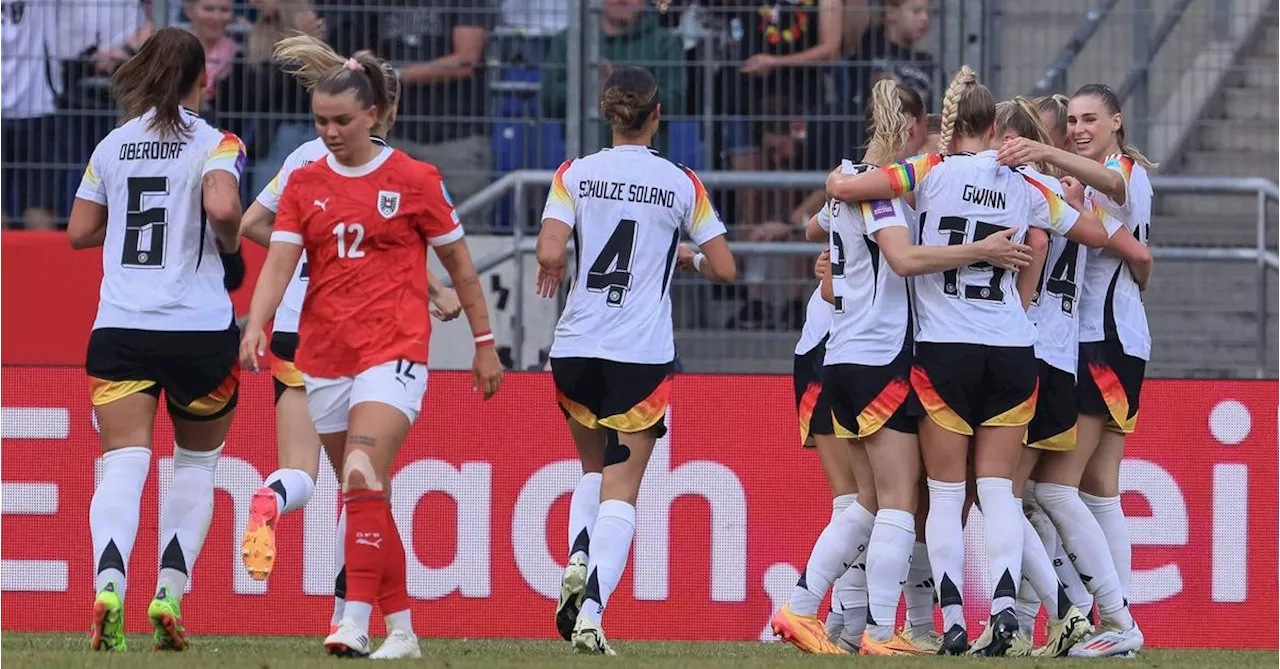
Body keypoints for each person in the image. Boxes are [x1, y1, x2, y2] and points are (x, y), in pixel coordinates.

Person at [239, 49, 503, 658]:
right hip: (324, 354)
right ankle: (403, 630)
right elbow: (279, 260)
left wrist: (484, 345)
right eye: (320, 122)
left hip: (395, 350)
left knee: (360, 474)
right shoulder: (304, 181)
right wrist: (256, 323)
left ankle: (351, 622)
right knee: (367, 496)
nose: (329, 133)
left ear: (375, 115)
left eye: (341, 122)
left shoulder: (414, 179)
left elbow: (460, 268)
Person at [825, 66, 1084, 656]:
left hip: (944, 352)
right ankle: (1003, 613)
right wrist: (1046, 157)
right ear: (996, 126)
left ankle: (951, 621)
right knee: (998, 493)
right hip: (1015, 349)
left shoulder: (929, 173)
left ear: (947, 128)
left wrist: (844, 182)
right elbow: (1090, 228)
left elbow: (847, 191)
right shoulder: (1025, 183)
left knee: (943, 496)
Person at [536, 65, 735, 655]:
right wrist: (685, 257)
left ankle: (577, 554)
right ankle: (593, 613)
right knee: (624, 490)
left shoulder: (576, 173)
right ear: (657, 115)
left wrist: (555, 263)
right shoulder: (679, 183)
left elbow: (551, 248)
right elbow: (726, 268)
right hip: (639, 355)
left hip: (576, 347)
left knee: (592, 473)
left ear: (607, 113)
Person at [68, 27, 246, 652]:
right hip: (198, 330)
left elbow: (79, 230)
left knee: (122, 464)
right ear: (205, 79)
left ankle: (108, 583)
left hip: (120, 328)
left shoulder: (113, 145)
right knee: (195, 465)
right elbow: (224, 209)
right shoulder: (216, 143)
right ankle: (168, 593)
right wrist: (226, 248)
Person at [996, 83, 1154, 658]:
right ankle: (1086, 621)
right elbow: (1137, 255)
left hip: (1096, 341)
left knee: (1057, 490)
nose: (1081, 129)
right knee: (1088, 490)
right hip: (1098, 340)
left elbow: (1136, 250)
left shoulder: (1119, 167)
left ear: (1116, 121)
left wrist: (1047, 155)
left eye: (1092, 119)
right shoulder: (1071, 184)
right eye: (1073, 122)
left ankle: (1109, 620)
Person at [991, 96, 1113, 657]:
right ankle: (1043, 618)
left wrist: (1015, 307)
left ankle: (1064, 614)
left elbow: (1036, 246)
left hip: (1033, 352)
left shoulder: (1030, 192)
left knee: (1004, 495)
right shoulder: (1071, 195)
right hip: (1062, 356)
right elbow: (1095, 235)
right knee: (1036, 497)